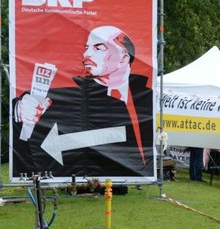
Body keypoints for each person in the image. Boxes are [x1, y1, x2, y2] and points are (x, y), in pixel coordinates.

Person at [13, 25, 153, 178]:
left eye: (98, 48)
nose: (87, 54)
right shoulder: (68, 97)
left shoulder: (146, 96)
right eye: (87, 47)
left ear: (124, 58)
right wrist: (20, 109)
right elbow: (30, 115)